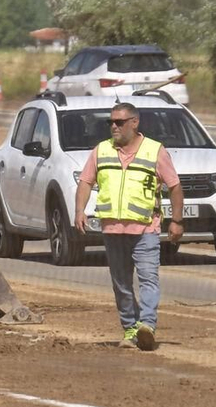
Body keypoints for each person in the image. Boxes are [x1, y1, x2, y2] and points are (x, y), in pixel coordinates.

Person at [73, 101, 184, 350]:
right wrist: (80, 210)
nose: (114, 126)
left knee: (148, 279)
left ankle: (147, 325)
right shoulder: (101, 150)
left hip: (146, 229)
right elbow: (85, 181)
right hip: (112, 231)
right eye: (111, 122)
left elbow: (175, 186)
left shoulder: (155, 151)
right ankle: (131, 330)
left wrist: (177, 221)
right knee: (121, 284)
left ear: (134, 123)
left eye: (119, 122)